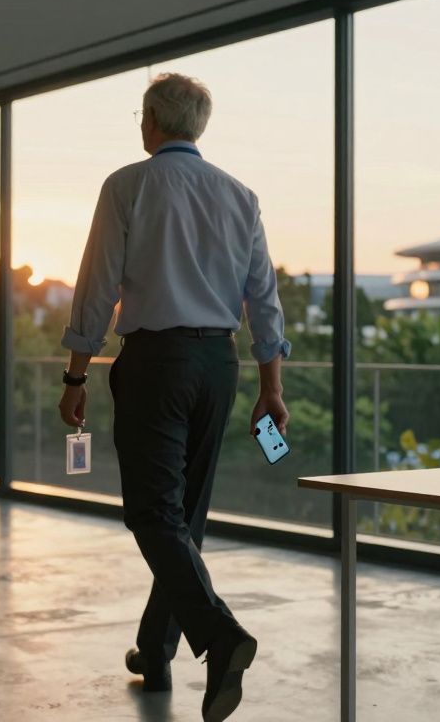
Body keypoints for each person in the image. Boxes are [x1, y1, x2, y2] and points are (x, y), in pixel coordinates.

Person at [57, 72, 291, 722]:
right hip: (219, 363)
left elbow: (97, 286)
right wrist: (272, 388)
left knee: (153, 515)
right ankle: (156, 650)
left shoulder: (127, 185)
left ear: (151, 122)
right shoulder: (240, 195)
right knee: (183, 518)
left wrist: (76, 376)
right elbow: (264, 302)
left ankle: (219, 636)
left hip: (156, 363)